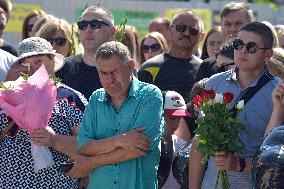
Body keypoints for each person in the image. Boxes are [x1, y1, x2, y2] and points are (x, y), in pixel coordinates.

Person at [189, 22, 280, 189]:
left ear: (268, 54)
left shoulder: (278, 92)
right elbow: (200, 142)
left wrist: (239, 164)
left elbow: (275, 157)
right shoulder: (214, 83)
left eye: (251, 47)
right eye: (238, 44)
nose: (242, 51)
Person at [71, 41, 163, 189]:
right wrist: (118, 141)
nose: (110, 79)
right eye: (103, 73)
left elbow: (140, 148)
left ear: (131, 66)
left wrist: (91, 162)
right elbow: (84, 146)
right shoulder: (96, 98)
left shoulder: (150, 95)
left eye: (115, 71)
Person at [0, 37, 88, 188]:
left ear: (52, 60)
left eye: (38, 61)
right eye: (26, 63)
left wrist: (55, 140)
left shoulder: (70, 98)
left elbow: (90, 147)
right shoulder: (6, 97)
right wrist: (7, 88)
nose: (33, 69)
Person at [138, 9, 203, 102]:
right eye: (181, 28)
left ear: (200, 35)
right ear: (170, 30)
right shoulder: (149, 68)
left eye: (193, 30)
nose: (186, 33)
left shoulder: (205, 68)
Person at [56, 6, 116, 100]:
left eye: (95, 24)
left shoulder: (122, 69)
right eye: (82, 25)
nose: (88, 30)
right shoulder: (63, 67)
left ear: (112, 32)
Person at [196, 1, 253, 82]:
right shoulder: (207, 66)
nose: (233, 29)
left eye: (238, 23)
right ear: (221, 27)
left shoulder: (262, 61)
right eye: (227, 24)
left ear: (250, 26)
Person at [159, 90, 192, 189]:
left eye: (180, 118)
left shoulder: (182, 147)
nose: (176, 124)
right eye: (172, 118)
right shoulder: (140, 143)